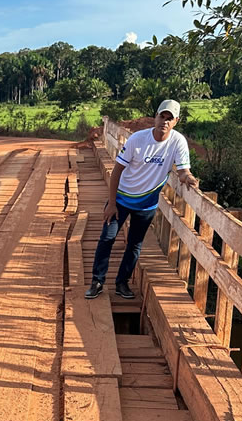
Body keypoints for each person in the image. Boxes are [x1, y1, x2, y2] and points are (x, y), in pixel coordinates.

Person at [85, 99, 199, 300]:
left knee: (135, 244)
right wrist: (111, 203)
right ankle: (97, 281)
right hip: (121, 198)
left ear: (176, 121)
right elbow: (117, 170)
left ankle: (122, 283)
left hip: (146, 203)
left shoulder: (177, 142)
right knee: (107, 237)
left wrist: (188, 178)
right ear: (155, 117)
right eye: (161, 116)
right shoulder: (138, 139)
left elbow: (183, 170)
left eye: (169, 119)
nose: (164, 121)